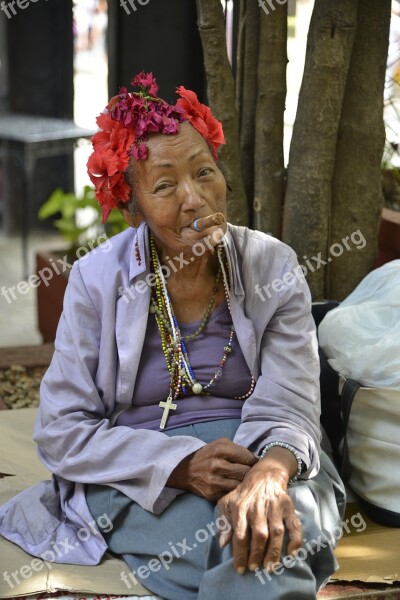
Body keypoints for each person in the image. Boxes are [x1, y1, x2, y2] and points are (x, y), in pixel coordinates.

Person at [0, 72, 346, 600]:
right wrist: (179, 464)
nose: (193, 198)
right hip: (143, 477)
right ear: (133, 204)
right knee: (263, 548)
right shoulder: (97, 283)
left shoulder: (271, 266)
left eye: (204, 172)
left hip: (269, 459)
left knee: (275, 524)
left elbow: (293, 403)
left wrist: (270, 476)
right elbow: (61, 430)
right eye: (164, 185)